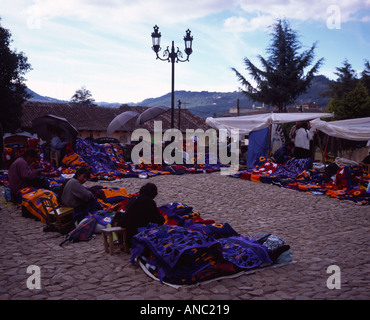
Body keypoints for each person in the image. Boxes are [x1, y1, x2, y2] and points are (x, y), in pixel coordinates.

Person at [115, 183, 164, 247]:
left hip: (126, 225)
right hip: (135, 231)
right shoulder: (149, 202)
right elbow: (156, 218)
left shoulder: (134, 198)